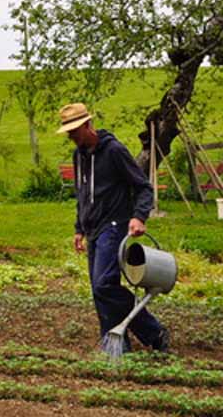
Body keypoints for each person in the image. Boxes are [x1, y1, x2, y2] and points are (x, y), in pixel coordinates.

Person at [57, 102, 170, 353]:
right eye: (69, 133)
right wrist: (79, 228)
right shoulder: (79, 156)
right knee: (99, 290)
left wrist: (139, 216)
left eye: (75, 131)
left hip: (115, 224)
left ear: (87, 125)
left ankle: (152, 331)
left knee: (104, 285)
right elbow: (83, 195)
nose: (72, 137)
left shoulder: (114, 151)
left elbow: (142, 187)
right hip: (93, 228)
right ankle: (117, 344)